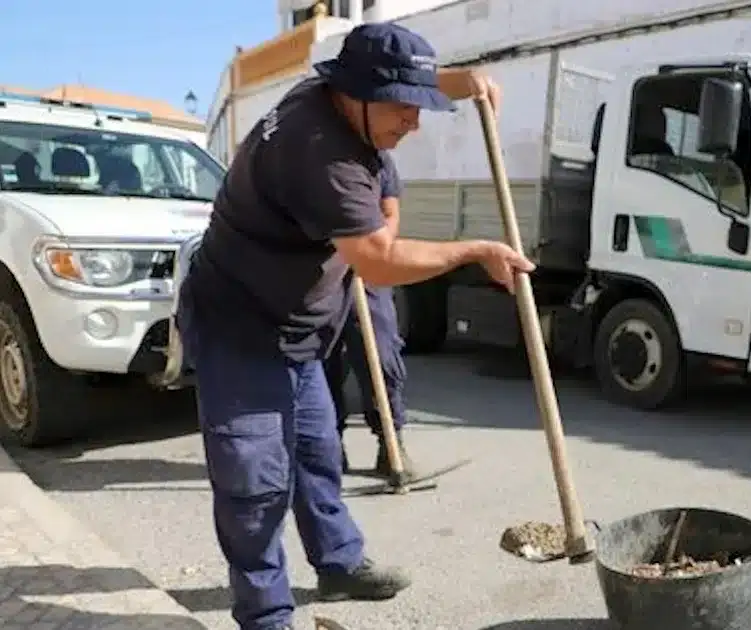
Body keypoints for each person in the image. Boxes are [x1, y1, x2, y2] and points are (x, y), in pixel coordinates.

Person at [175, 22, 533, 630]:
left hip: (299, 330)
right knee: (255, 486)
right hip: (240, 328)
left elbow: (401, 106)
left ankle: (339, 564)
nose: (414, 122)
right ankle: (266, 616)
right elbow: (378, 262)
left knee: (317, 456)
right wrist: (474, 251)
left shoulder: (337, 97)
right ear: (358, 96)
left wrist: (464, 82)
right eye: (403, 109)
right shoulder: (321, 151)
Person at [323, 152, 416, 479]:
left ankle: (390, 443)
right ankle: (328, 446)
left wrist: (373, 251)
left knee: (381, 353)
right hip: (321, 272)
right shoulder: (320, 157)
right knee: (322, 360)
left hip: (369, 271)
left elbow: (390, 213)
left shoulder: (380, 161)